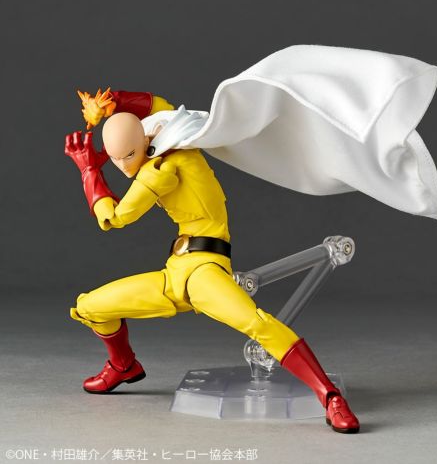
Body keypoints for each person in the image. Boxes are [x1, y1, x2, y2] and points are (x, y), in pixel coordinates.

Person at [64, 88, 360, 434]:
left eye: (128, 155)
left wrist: (89, 170)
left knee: (258, 324)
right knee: (90, 306)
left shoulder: (161, 169)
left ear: (144, 140)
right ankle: (123, 365)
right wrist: (113, 100)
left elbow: (112, 218)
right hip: (175, 272)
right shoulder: (175, 134)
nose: (123, 166)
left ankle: (330, 397)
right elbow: (159, 105)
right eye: (114, 159)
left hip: (204, 271)